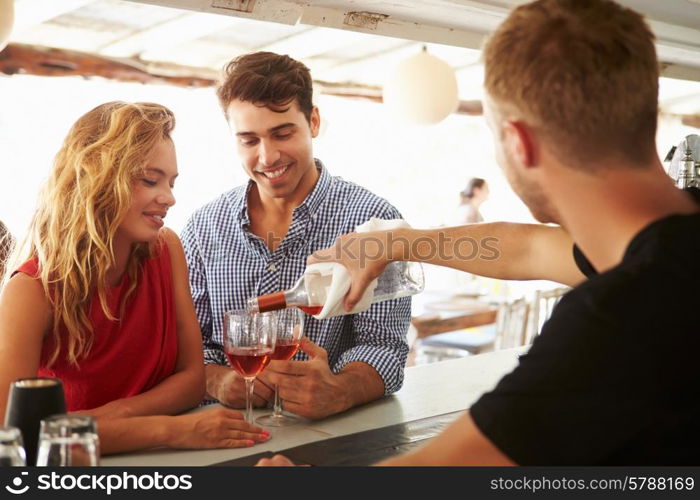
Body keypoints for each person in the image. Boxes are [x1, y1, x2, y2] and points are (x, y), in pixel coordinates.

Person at [259, 0, 700, 465]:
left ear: (518, 142)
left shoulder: (621, 318)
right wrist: (397, 242)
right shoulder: (664, 250)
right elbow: (528, 249)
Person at [0, 102, 269, 455]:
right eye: (149, 180)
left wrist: (109, 418)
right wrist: (168, 430)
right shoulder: (31, 290)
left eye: (171, 182)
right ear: (97, 177)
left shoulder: (167, 249)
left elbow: (191, 380)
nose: (169, 197)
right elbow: (15, 435)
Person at [180, 52, 411, 420]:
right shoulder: (203, 228)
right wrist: (218, 380)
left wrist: (342, 389)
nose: (267, 156)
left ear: (313, 121)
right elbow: (186, 348)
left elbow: (383, 345)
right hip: (223, 436)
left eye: (282, 133)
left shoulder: (373, 222)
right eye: (248, 140)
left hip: (330, 437)